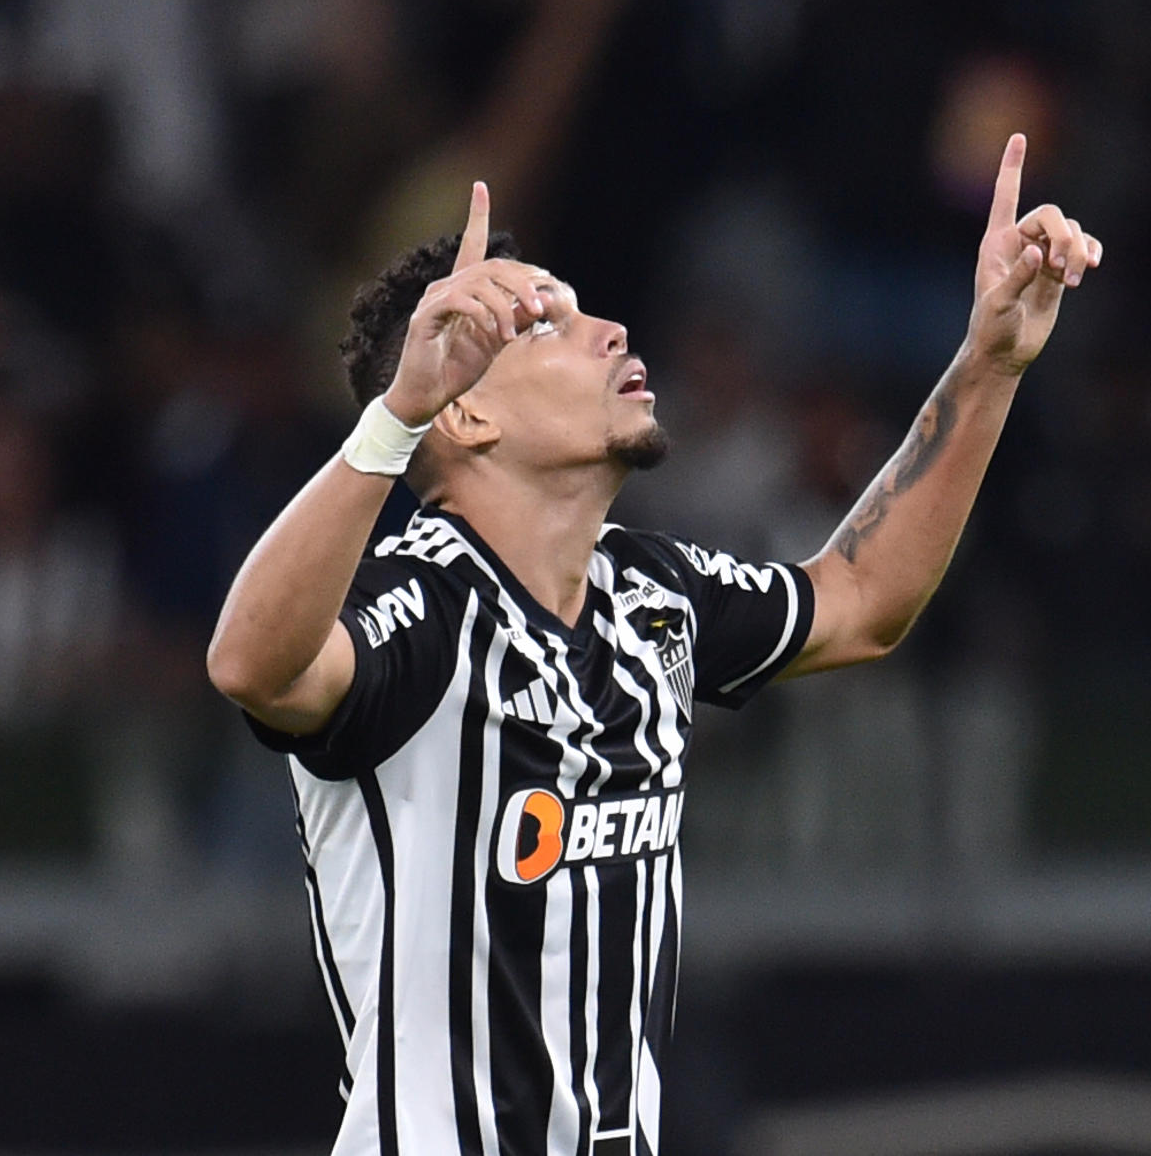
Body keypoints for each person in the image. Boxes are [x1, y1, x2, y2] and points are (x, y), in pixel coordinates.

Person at [205, 134, 1100, 1156]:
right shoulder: (417, 606)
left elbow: (861, 601)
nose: (612, 329)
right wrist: (395, 415)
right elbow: (251, 665)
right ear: (469, 410)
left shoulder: (650, 596)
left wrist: (988, 360)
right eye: (551, 322)